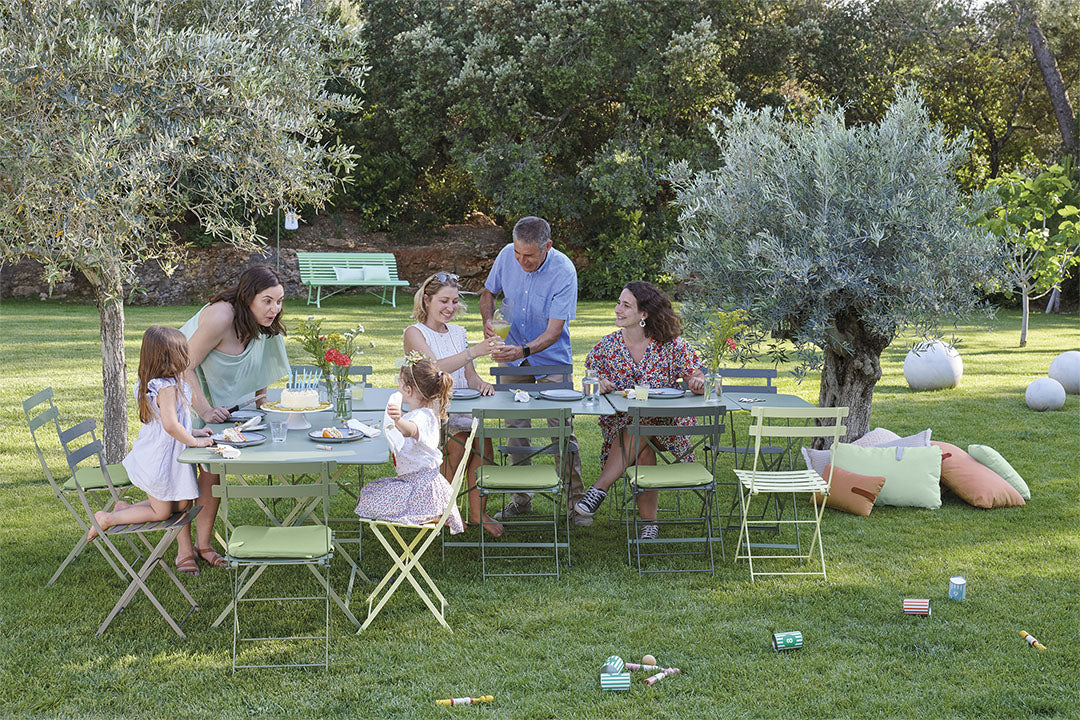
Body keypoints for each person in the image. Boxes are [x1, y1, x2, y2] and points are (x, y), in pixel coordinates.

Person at [573, 281, 705, 540]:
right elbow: (588, 380)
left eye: (626, 305)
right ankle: (649, 525)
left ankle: (599, 489)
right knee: (642, 446)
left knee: (642, 426)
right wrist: (599, 383)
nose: (617, 309)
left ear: (643, 314)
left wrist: (697, 383)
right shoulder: (607, 346)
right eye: (618, 303)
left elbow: (696, 376)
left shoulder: (671, 345)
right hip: (622, 426)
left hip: (668, 426)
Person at [178, 264, 289, 569]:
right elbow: (183, 365)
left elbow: (263, 360)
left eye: (279, 301)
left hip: (206, 392)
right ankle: (184, 550)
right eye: (267, 301)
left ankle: (203, 544)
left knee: (211, 471)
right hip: (175, 389)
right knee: (182, 474)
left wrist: (262, 399)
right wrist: (204, 410)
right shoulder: (221, 316)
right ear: (247, 297)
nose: (275, 309)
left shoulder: (263, 320)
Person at [479, 216, 587, 524]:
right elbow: (488, 293)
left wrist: (524, 350)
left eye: (529, 255)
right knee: (515, 427)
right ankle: (521, 499)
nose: (521, 260)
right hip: (511, 357)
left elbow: (554, 332)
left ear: (547, 246)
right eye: (517, 253)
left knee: (561, 428)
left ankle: (575, 504)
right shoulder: (506, 255)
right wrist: (488, 321)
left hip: (551, 357)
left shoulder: (564, 270)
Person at [86, 327, 215, 575]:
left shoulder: (159, 383)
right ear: (169, 358)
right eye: (182, 352)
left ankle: (125, 509)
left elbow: (171, 422)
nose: (186, 356)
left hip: (165, 458)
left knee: (181, 504)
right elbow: (170, 425)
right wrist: (194, 442)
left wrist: (195, 432)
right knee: (162, 512)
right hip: (158, 462)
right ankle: (107, 518)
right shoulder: (166, 388)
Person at [403, 272, 504, 536]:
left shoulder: (458, 332)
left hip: (461, 409)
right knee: (458, 443)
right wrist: (474, 351)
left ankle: (477, 512)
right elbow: (433, 370)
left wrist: (481, 384)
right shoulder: (414, 333)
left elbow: (469, 376)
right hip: (431, 412)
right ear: (427, 300)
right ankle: (442, 509)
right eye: (444, 301)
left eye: (455, 301)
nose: (450, 307)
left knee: (483, 443)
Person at [354, 355, 464, 534]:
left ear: (408, 389)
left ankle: (428, 513)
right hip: (416, 483)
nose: (397, 388)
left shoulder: (422, 417)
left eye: (399, 383)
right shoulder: (422, 413)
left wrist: (397, 420)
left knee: (369, 499)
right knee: (370, 491)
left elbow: (410, 430)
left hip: (421, 490)